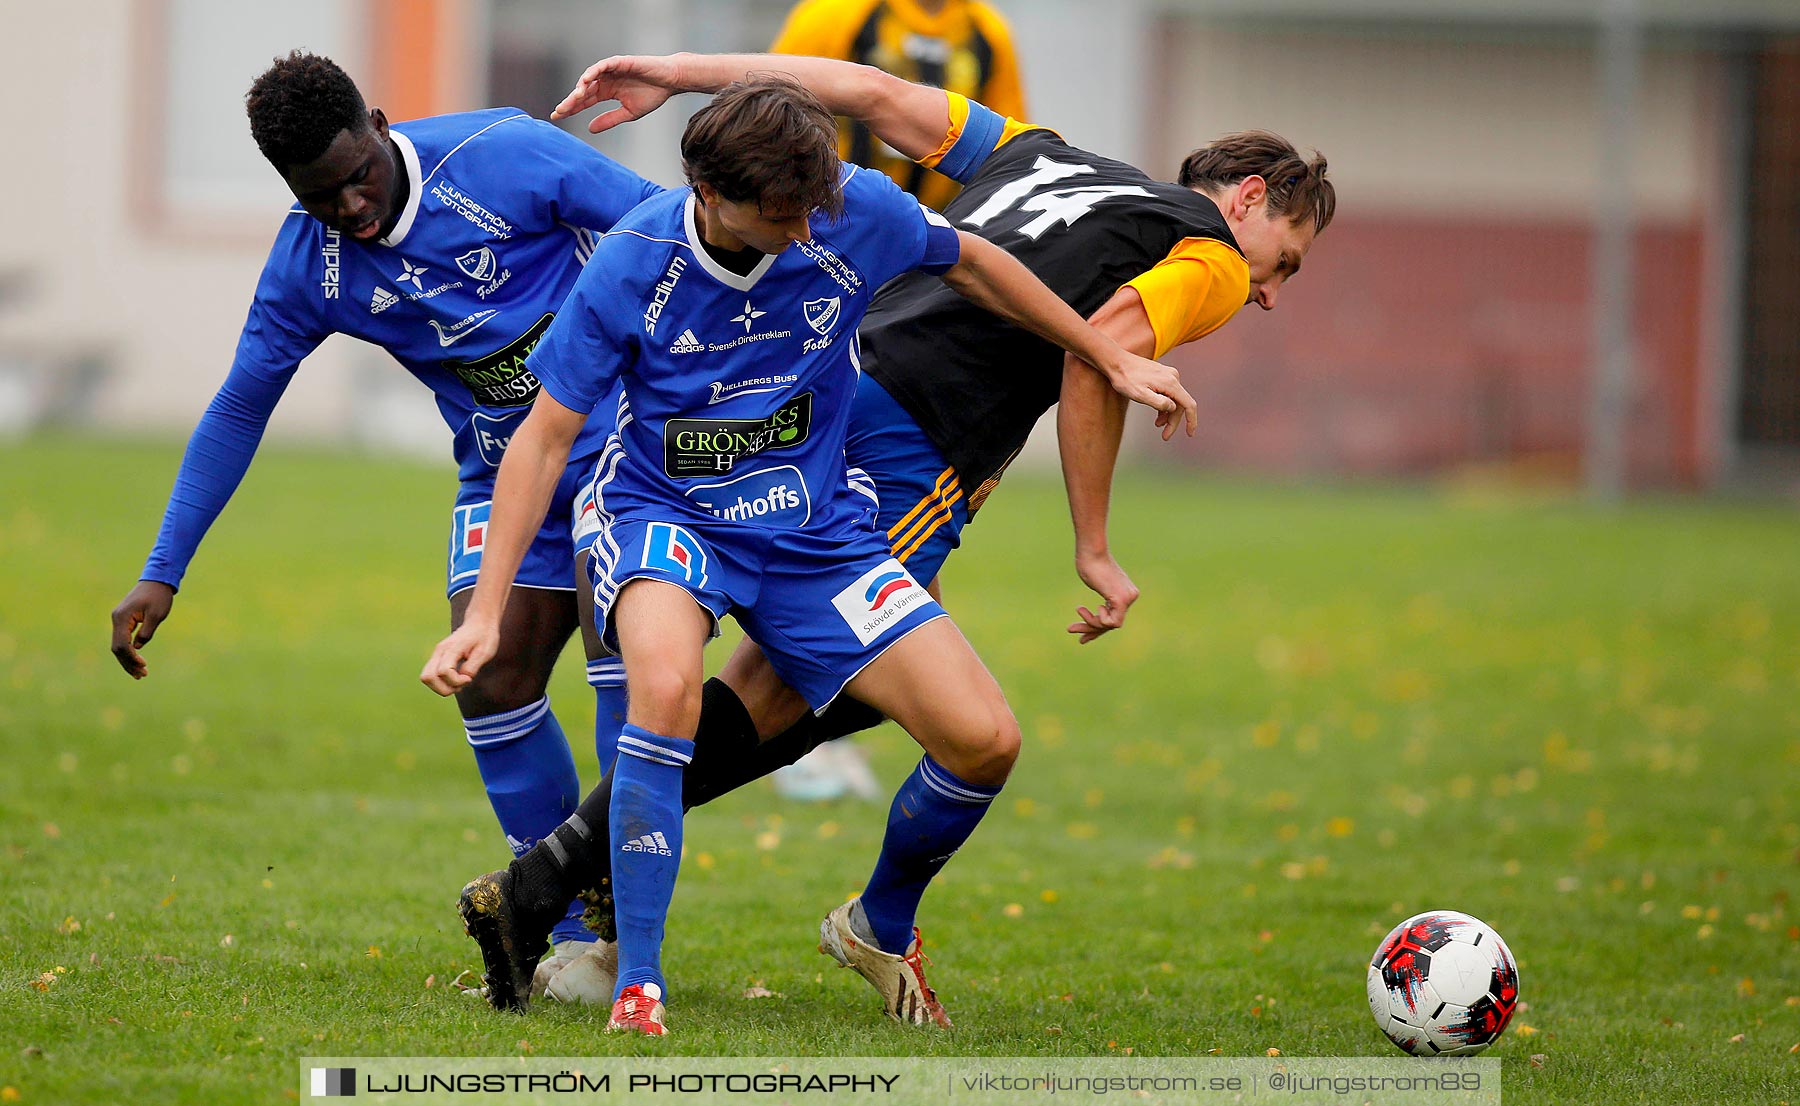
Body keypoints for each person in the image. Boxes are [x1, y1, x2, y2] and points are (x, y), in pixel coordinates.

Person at [481, 50, 1334, 1027]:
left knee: (812, 691)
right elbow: (1106, 353)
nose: (1270, 289)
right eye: (1289, 260)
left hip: (836, 378)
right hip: (913, 438)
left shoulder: (1039, 151)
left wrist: (681, 72)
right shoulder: (1212, 256)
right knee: (800, 693)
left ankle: (569, 890)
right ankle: (571, 903)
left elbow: (870, 94)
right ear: (1252, 198)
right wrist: (1093, 544)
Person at [105, 51, 663, 997]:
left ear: (378, 119)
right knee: (485, 674)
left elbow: (666, 227)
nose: (351, 210)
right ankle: (570, 926)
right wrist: (165, 568)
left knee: (630, 670)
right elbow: (241, 407)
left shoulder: (505, 154)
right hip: (500, 472)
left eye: (357, 176)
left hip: (627, 449)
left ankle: (634, 941)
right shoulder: (308, 264)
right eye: (321, 197)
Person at [772, 0, 1026, 211]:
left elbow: (1006, 148)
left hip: (934, 221)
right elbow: (776, 109)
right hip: (833, 212)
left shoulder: (987, 30)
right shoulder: (835, 13)